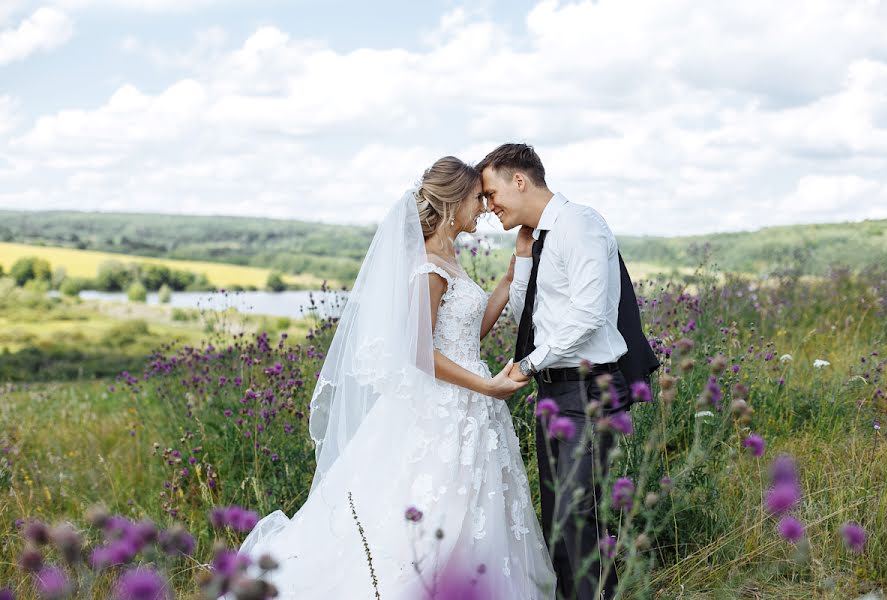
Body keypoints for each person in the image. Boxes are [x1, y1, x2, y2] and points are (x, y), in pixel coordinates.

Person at [229, 156, 556, 599]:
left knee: (473, 513)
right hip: (444, 406)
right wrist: (488, 386)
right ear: (453, 202)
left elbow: (465, 335)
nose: (483, 207)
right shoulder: (428, 266)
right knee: (435, 513)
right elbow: (419, 352)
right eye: (478, 198)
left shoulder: (450, 256)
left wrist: (509, 277)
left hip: (470, 406)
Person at [478, 143, 658, 600]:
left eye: (492, 191)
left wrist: (526, 365)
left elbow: (588, 315)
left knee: (581, 519)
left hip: (588, 388)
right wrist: (521, 261)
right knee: (559, 520)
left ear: (520, 180)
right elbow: (533, 317)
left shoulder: (580, 225)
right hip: (554, 393)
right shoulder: (539, 236)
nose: (488, 204)